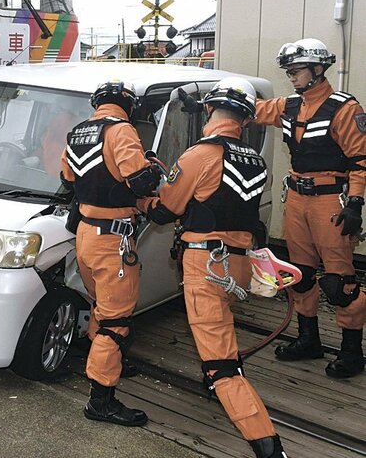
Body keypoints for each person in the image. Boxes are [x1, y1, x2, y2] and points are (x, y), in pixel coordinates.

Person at [144, 78, 287, 458]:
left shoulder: (199, 154)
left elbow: (166, 208)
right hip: (237, 266)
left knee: (222, 363)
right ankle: (217, 378)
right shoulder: (254, 159)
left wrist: (144, 200)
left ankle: (268, 445)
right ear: (245, 118)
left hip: (206, 264)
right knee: (222, 331)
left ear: (209, 109)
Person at [251, 39, 365, 378]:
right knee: (298, 274)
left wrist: (356, 202)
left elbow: (361, 160)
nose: (291, 77)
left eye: (296, 71)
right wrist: (207, 100)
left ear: (317, 70)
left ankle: (351, 352)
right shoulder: (289, 106)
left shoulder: (344, 109)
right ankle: (308, 339)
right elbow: (253, 109)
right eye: (289, 72)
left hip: (331, 201)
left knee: (339, 282)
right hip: (297, 198)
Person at [60, 79, 161, 427]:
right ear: (128, 105)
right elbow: (140, 182)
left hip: (86, 233)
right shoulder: (122, 132)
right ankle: (100, 400)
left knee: (101, 307)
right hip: (112, 240)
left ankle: (105, 359)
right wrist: (153, 168)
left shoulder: (77, 132)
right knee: (116, 321)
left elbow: (67, 178)